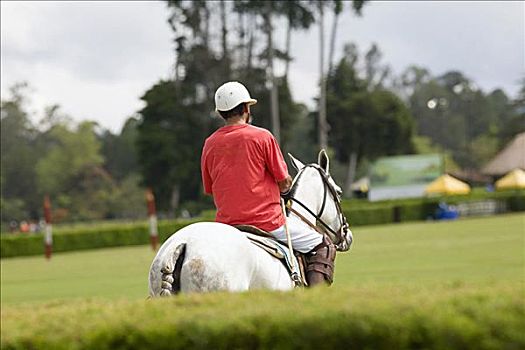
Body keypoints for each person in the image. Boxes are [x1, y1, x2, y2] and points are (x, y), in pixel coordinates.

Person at [200, 81, 336, 286]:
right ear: (246, 108)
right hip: (267, 223)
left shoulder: (209, 143)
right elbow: (283, 182)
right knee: (323, 244)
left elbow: (209, 189)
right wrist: (285, 188)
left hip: (226, 227)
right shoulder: (262, 137)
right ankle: (316, 303)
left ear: (220, 113)